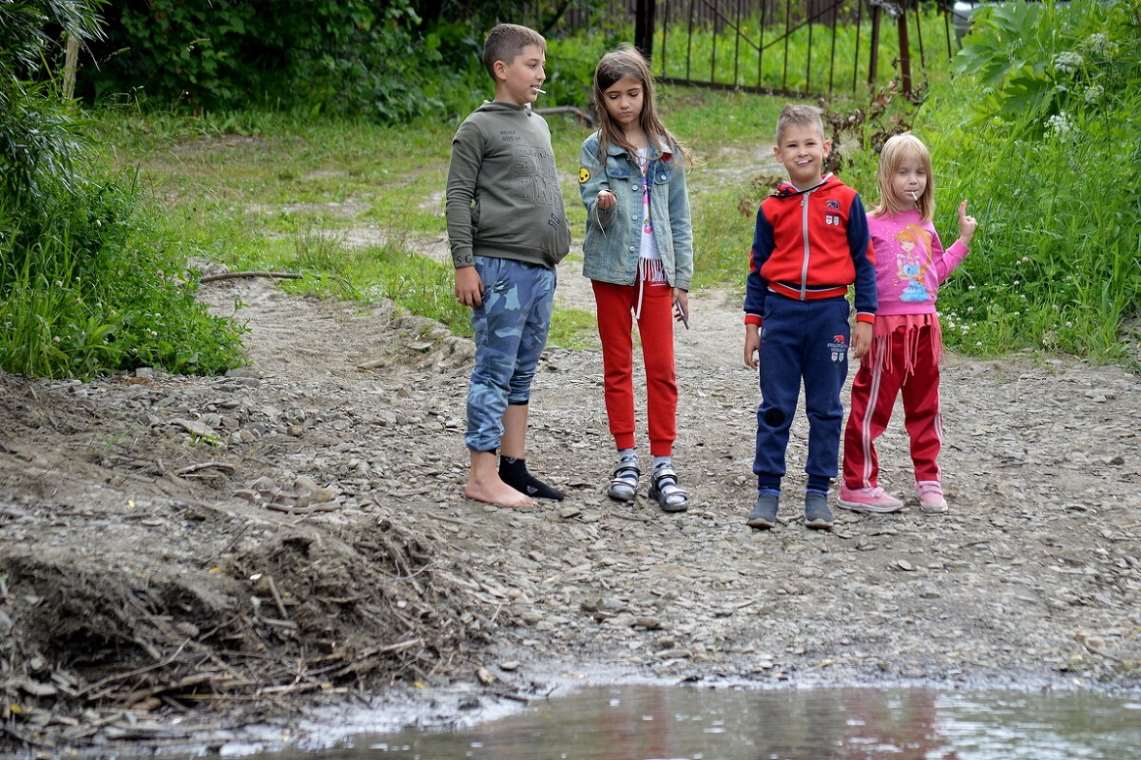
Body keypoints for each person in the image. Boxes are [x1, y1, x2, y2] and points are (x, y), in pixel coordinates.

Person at [445, 23, 571, 508]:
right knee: (494, 371)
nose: (542, 74)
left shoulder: (538, 124)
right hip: (500, 269)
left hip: (540, 270)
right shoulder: (477, 128)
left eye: (542, 65)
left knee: (522, 372)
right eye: (532, 65)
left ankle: (513, 468)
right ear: (502, 69)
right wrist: (464, 264)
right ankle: (481, 474)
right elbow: (458, 197)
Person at [743, 104, 878, 531]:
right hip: (781, 315)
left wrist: (865, 318)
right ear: (778, 153)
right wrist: (753, 325)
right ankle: (768, 490)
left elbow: (865, 263)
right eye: (792, 146)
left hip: (828, 315)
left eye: (809, 144)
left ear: (826, 146)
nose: (802, 152)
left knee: (825, 407)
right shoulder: (771, 208)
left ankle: (818, 492)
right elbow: (757, 269)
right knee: (776, 405)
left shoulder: (847, 201)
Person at [577, 46, 693, 513]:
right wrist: (603, 203)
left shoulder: (666, 148)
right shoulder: (595, 148)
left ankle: (663, 462)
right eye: (614, 96)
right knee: (618, 365)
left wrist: (682, 279)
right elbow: (592, 201)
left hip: (658, 274)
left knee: (662, 369)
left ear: (646, 92)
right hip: (611, 272)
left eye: (632, 93)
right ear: (601, 99)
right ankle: (626, 458)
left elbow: (680, 217)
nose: (624, 103)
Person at [839, 132, 977, 514]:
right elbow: (854, 271)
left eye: (919, 172)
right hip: (885, 332)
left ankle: (929, 478)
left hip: (925, 329)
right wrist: (857, 319)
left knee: (926, 407)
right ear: (886, 176)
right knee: (871, 407)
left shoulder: (926, 225)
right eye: (903, 172)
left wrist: (963, 241)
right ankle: (857, 481)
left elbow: (935, 274)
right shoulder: (869, 224)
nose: (913, 180)